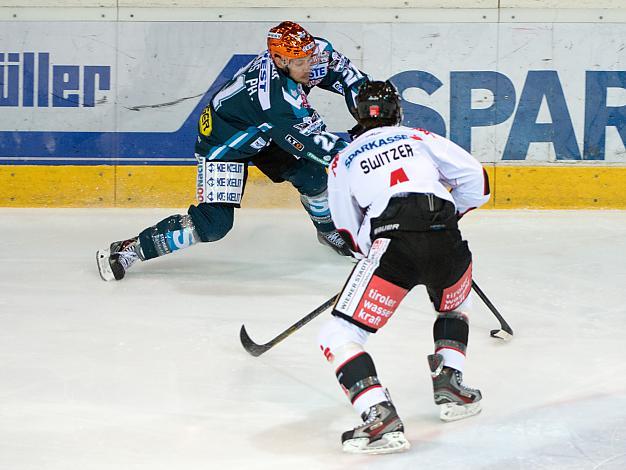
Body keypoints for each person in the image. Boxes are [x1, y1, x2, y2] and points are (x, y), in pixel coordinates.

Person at [97, 21, 369, 281]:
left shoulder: (307, 56)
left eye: (309, 58)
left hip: (266, 131)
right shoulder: (274, 99)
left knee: (314, 179)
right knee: (213, 225)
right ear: (279, 60)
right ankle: (129, 249)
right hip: (225, 143)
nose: (308, 67)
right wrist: (369, 152)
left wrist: (369, 118)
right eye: (300, 63)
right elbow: (315, 144)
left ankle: (328, 231)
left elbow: (348, 77)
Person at [317, 80, 491, 454]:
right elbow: (476, 179)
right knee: (455, 306)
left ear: (358, 116)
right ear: (398, 111)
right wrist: (448, 214)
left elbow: (346, 227)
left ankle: (378, 417)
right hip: (445, 234)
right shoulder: (418, 136)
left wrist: (370, 249)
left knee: (339, 335)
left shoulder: (343, 158)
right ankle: (450, 385)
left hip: (392, 244)